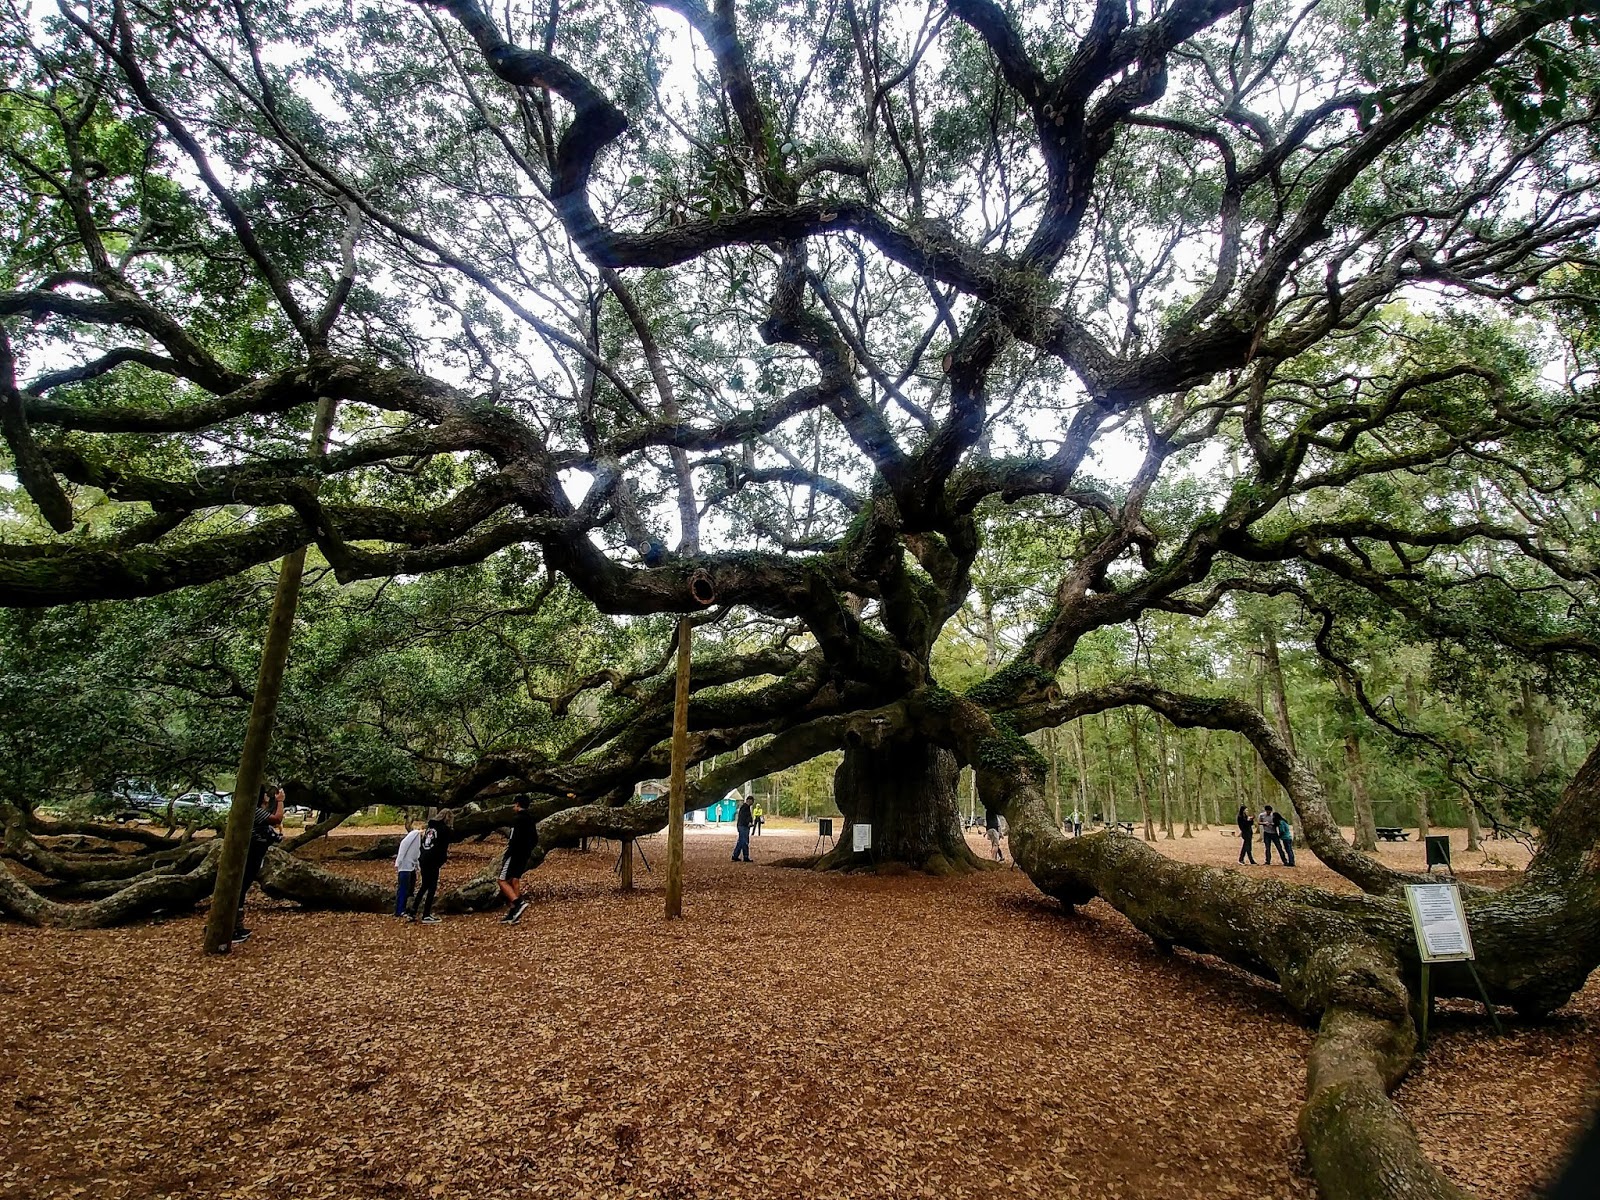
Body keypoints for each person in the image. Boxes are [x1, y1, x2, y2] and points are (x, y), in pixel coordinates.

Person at [235, 784, 284, 943]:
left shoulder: (257, 812)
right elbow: (277, 818)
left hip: (254, 857)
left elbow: (275, 833)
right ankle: (232, 927)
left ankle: (236, 926)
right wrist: (281, 801)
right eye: (265, 794)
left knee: (242, 890)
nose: (267, 796)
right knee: (239, 890)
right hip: (249, 857)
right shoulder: (253, 811)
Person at [407, 809, 454, 924]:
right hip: (433, 860)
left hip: (424, 859)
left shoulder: (430, 827)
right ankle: (426, 914)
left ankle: (413, 911)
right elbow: (443, 848)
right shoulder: (444, 830)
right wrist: (441, 860)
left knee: (424, 886)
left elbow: (424, 843)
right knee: (431, 887)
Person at [498, 796, 538, 923]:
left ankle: (518, 902)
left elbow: (513, 838)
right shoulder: (531, 819)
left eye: (514, 804)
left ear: (517, 804)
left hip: (515, 854)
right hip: (525, 854)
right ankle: (513, 913)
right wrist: (528, 850)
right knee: (515, 880)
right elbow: (535, 838)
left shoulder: (517, 819)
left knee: (502, 880)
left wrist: (509, 853)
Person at [394, 823, 423, 917]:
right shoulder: (415, 834)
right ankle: (400, 910)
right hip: (405, 866)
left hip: (411, 866)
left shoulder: (420, 841)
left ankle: (406, 908)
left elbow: (417, 854)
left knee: (410, 889)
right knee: (403, 888)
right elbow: (404, 844)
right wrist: (399, 861)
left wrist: (418, 866)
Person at [733, 796, 754, 862]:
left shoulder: (745, 807)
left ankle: (735, 855)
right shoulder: (745, 808)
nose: (752, 803)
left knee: (741, 841)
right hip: (743, 826)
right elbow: (744, 817)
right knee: (744, 841)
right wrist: (748, 823)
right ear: (749, 800)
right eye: (752, 801)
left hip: (742, 826)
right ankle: (745, 856)